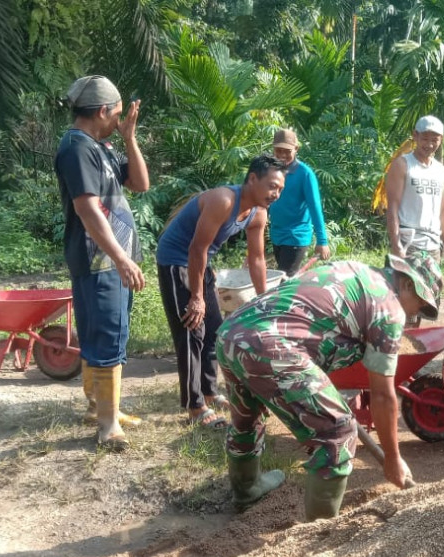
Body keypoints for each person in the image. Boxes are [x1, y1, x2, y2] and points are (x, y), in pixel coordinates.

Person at [216, 253, 443, 520]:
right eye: (420, 303)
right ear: (407, 283)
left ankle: (247, 489)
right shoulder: (389, 309)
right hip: (271, 347)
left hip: (232, 334)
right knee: (338, 431)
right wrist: (393, 459)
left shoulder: (354, 270)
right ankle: (321, 533)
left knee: (246, 416)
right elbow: (382, 395)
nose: (416, 313)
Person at [156, 154, 286, 430]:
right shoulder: (223, 200)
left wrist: (263, 300)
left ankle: (210, 392)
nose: (276, 194)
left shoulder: (258, 213)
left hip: (201, 263)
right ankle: (194, 406)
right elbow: (196, 249)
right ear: (253, 179)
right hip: (176, 260)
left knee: (215, 330)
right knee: (192, 330)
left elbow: (257, 259)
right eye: (272, 186)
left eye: (280, 189)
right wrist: (196, 297)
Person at [55, 75, 148, 451]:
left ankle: (102, 408)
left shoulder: (101, 146)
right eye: (118, 114)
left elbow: (140, 183)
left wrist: (129, 138)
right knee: (106, 333)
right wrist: (121, 258)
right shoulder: (76, 148)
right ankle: (107, 426)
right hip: (99, 260)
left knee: (110, 331)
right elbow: (87, 209)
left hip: (112, 260)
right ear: (103, 111)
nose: (120, 119)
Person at [385, 115, 444, 276]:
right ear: (415, 136)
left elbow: (443, 212)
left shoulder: (441, 171)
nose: (429, 144)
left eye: (435, 140)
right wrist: (397, 246)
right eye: (425, 139)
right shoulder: (402, 165)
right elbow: (392, 208)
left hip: (433, 246)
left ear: (441, 140)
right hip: (408, 243)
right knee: (404, 291)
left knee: (431, 291)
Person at [268, 129, 330, 277]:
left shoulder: (305, 174)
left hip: (296, 236)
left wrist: (322, 241)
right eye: (278, 150)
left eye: (287, 151)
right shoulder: (271, 171)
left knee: (284, 280)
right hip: (277, 235)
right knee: (283, 277)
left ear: (296, 149)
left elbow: (315, 208)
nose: (282, 155)